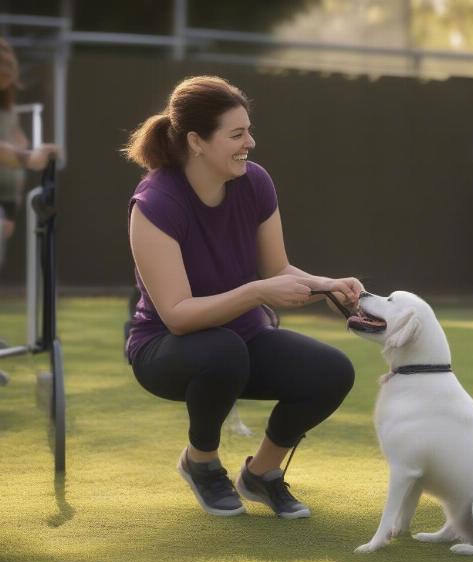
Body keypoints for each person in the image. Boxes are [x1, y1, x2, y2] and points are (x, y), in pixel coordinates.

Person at [122, 75, 362, 519]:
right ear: (196, 141)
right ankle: (201, 463)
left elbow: (277, 270)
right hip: (165, 350)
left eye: (248, 130)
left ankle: (262, 474)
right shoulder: (154, 204)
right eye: (236, 134)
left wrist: (326, 285)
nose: (249, 142)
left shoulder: (255, 183)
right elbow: (176, 316)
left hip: (239, 342)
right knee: (223, 349)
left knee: (331, 371)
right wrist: (257, 292)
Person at [0, 38, 60, 386]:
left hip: (7, 197)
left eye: (10, 68)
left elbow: (17, 141)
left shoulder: (8, 106)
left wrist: (34, 150)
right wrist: (26, 157)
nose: (8, 74)